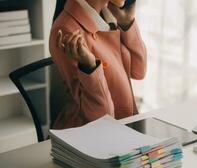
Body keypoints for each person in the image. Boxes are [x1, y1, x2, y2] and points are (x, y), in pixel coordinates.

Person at [49, 0, 147, 129]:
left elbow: (138, 71)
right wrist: (89, 66)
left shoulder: (109, 16)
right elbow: (101, 117)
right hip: (88, 136)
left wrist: (127, 23)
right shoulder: (67, 30)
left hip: (122, 128)